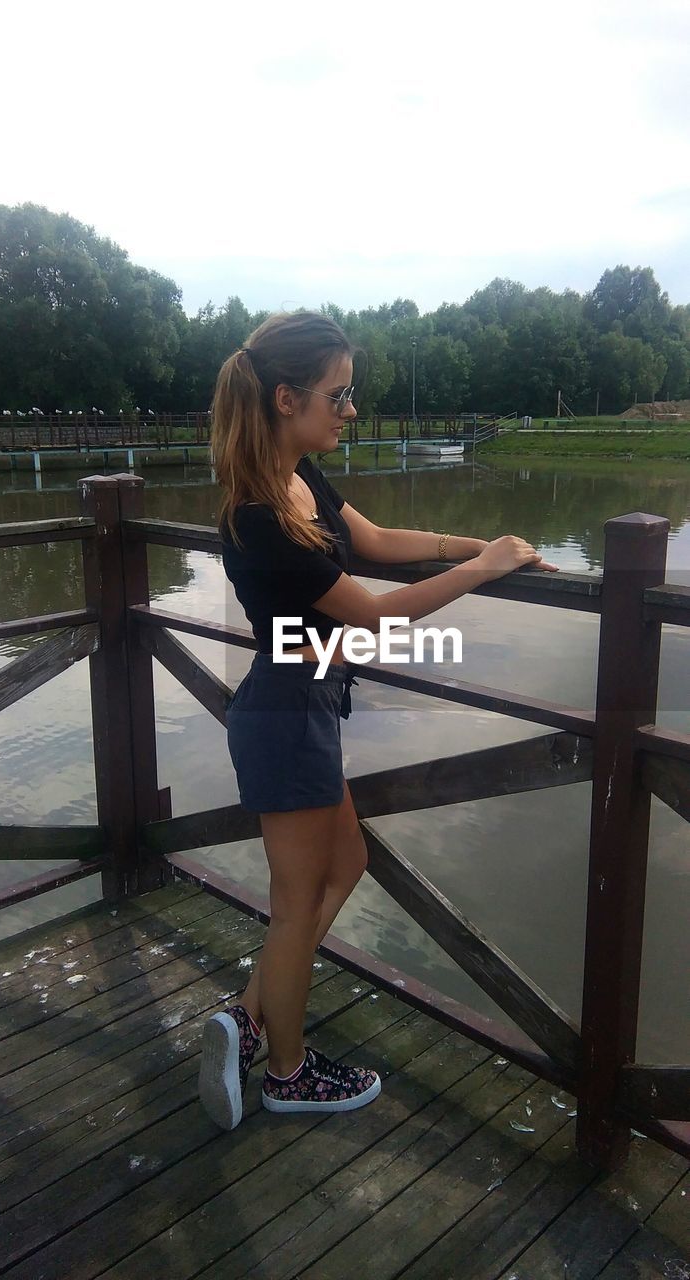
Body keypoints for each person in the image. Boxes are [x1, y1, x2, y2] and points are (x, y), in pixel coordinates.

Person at [198, 311, 558, 1130]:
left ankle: (251, 1016)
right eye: (340, 394)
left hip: (306, 706)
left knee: (345, 862)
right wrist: (478, 571)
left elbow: (377, 539)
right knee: (296, 906)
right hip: (284, 712)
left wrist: (482, 544)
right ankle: (286, 1072)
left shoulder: (301, 480)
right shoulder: (256, 516)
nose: (350, 410)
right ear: (287, 399)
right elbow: (372, 616)